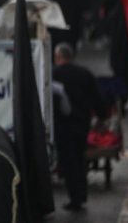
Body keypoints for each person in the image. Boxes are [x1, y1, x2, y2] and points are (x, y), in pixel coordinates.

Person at [51, 42, 108, 211]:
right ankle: (81, 194)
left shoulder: (53, 75)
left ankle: (75, 197)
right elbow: (98, 99)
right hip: (82, 125)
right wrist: (101, 117)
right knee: (80, 158)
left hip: (63, 126)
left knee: (69, 163)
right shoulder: (85, 74)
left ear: (58, 57)